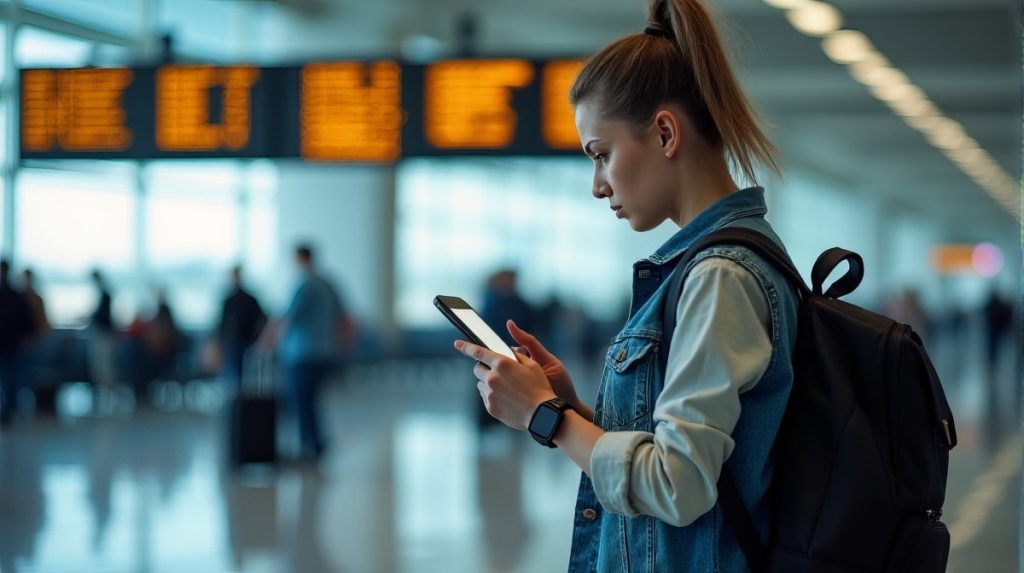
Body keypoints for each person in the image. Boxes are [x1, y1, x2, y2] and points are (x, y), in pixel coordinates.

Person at [452, 1, 800, 570]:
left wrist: (546, 416)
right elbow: (686, 454)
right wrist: (571, 407)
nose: (597, 185)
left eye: (602, 155)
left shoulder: (720, 276)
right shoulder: (718, 263)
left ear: (665, 133)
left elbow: (676, 485)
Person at [269, 244, 352, 461]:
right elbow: (344, 318)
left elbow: (288, 317)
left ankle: (310, 447)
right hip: (324, 353)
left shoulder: (304, 285)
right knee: (312, 401)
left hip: (303, 354)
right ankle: (316, 443)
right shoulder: (328, 284)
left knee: (302, 402)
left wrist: (268, 341)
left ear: (300, 259)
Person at [217, 266, 267, 394]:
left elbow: (262, 318)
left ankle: (241, 403)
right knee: (231, 374)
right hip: (231, 343)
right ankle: (234, 402)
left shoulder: (249, 299)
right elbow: (222, 323)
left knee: (243, 375)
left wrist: (255, 338)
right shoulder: (228, 300)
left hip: (245, 342)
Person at [0, 260, 36, 425]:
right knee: (10, 376)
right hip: (11, 341)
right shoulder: (16, 295)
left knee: (11, 376)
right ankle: (8, 407)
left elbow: (28, 321)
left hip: (12, 342)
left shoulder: (16, 296)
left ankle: (9, 408)